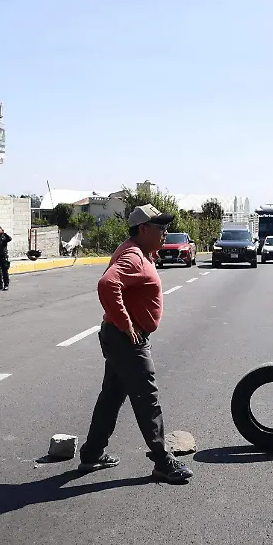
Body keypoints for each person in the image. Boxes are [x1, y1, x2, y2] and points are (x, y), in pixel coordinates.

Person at [78, 204, 194, 484]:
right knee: (147, 399)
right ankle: (163, 461)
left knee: (111, 397)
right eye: (160, 227)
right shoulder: (133, 255)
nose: (165, 232)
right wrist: (126, 323)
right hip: (127, 341)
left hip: (120, 338)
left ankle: (92, 453)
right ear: (143, 229)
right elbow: (108, 284)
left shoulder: (140, 252)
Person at [0, 225, 12, 291]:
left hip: (3, 256)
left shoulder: (4, 237)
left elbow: (10, 239)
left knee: (5, 271)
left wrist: (4, 233)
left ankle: (6, 285)